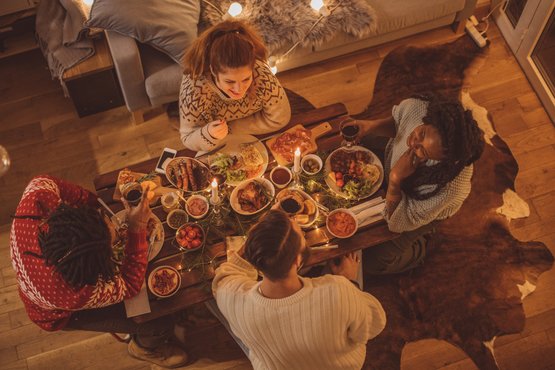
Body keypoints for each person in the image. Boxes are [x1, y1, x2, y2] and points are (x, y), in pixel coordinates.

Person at [10, 175, 188, 368]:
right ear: (96, 268)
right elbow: (129, 286)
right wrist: (137, 228)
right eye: (111, 245)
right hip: (59, 314)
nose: (114, 227)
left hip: (39, 282)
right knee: (157, 322)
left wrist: (92, 202)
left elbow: (46, 181)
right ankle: (144, 348)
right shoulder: (74, 292)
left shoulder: (35, 201)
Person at [212, 209, 386, 370]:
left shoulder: (230, 297)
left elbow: (227, 273)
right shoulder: (339, 291)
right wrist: (350, 281)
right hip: (338, 366)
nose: (304, 235)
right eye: (302, 236)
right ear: (297, 261)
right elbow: (374, 325)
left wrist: (261, 233)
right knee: (355, 256)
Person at [352, 93, 485, 273]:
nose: (413, 143)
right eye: (421, 133)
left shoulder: (448, 188)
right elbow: (398, 122)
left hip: (417, 209)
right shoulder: (417, 108)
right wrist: (370, 126)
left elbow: (398, 223)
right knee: (362, 140)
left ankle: (419, 249)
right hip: (396, 166)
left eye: (422, 150)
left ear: (441, 160)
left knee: (370, 263)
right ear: (429, 119)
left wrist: (395, 180)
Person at [179, 20, 291, 151]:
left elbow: (280, 119)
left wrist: (231, 128)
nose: (239, 89)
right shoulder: (193, 90)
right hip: (218, 146)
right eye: (230, 82)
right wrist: (208, 133)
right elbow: (187, 138)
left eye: (246, 79)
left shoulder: (262, 74)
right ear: (213, 71)